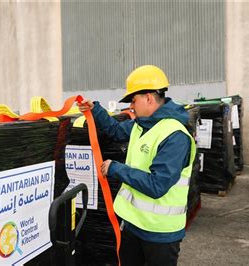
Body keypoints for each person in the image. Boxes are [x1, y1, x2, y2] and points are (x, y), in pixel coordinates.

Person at [77, 65, 195, 266]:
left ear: (148, 98)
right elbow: (115, 131)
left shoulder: (175, 136)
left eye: (133, 100)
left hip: (160, 235)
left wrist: (115, 168)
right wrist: (95, 110)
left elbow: (157, 185)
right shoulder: (141, 125)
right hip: (132, 225)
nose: (131, 106)